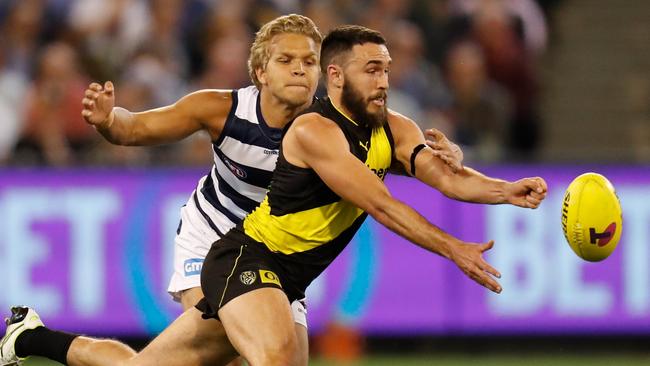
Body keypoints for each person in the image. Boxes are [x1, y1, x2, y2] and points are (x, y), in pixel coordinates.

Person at [0, 17, 465, 366]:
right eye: (286, 60)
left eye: (309, 61)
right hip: (212, 243)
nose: (300, 71)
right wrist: (108, 120)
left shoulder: (335, 127)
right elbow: (136, 129)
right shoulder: (220, 109)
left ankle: (31, 338)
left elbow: (406, 152)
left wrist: (444, 157)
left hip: (274, 258)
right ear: (260, 72)